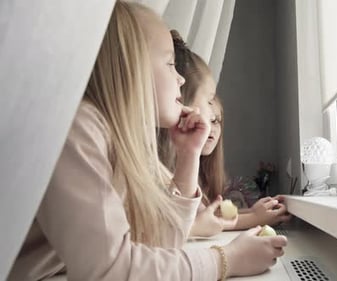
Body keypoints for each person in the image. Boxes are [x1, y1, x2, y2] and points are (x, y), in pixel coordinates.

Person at [7, 2, 286, 280]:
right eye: (169, 64)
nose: (179, 79)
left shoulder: (122, 143)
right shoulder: (79, 126)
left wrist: (188, 156)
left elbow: (158, 244)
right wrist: (226, 260)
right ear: (131, 68)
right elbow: (112, 271)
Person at [159, 30, 291, 238]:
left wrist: (253, 213)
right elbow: (196, 223)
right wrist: (254, 218)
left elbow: (202, 218)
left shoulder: (182, 165)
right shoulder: (162, 171)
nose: (213, 109)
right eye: (209, 98)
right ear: (183, 99)